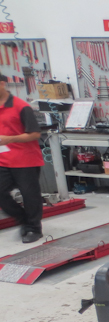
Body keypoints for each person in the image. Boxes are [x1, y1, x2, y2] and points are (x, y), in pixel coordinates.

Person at [0, 74, 45, 243]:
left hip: (25, 160)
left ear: (2, 84)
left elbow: (35, 134)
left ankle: (34, 228)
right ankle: (24, 220)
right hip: (3, 159)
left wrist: (10, 139)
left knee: (30, 195)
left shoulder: (21, 107)